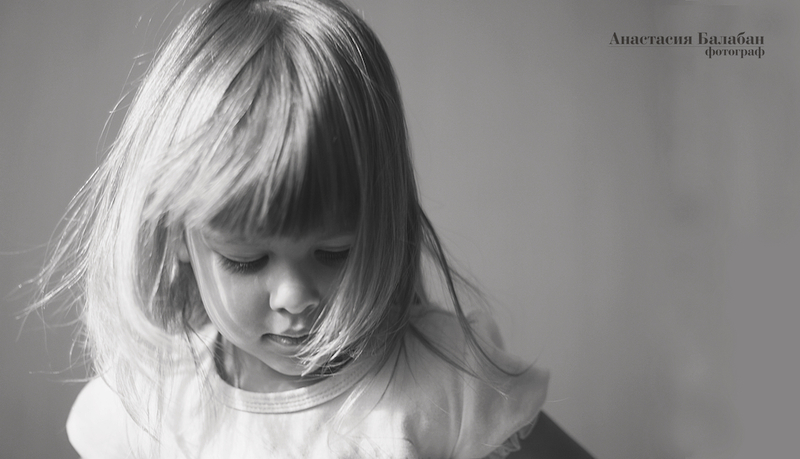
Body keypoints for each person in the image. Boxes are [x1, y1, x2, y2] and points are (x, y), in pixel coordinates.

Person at [34, 0, 593, 457]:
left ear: (385, 225)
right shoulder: (145, 406)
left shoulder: (446, 386)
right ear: (178, 235)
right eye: (246, 260)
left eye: (334, 251)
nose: (294, 296)